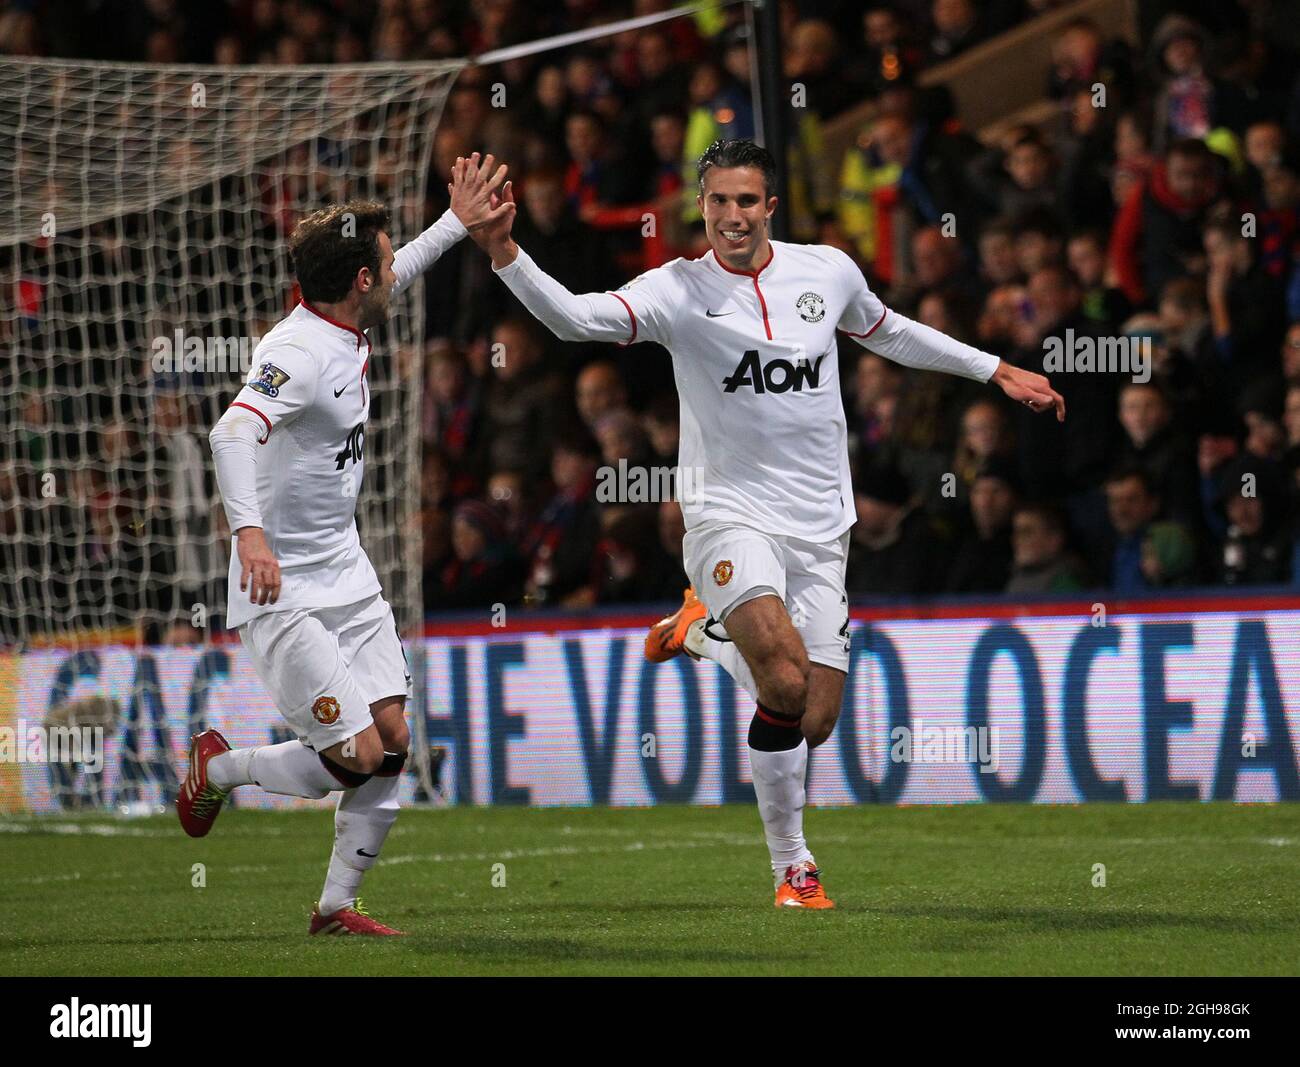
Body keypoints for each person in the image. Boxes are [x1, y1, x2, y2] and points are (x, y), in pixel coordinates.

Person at [452, 140, 1063, 908]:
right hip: (727, 513)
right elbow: (578, 321)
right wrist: (504, 249)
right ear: (699, 206)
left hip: (821, 524)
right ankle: (793, 869)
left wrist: (994, 368)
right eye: (718, 202)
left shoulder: (828, 271)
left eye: (747, 201)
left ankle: (706, 631)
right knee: (780, 672)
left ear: (770, 206)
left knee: (811, 716)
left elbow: (892, 331)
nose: (733, 216)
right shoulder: (678, 289)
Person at [179, 153, 507, 936]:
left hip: (346, 572)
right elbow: (230, 431)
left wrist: (457, 222)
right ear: (362, 280)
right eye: (386, 264)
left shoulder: (346, 318)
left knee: (393, 739)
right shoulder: (295, 354)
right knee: (357, 751)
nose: (396, 271)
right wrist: (250, 535)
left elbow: (410, 259)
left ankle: (333, 908)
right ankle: (218, 766)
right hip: (281, 584)